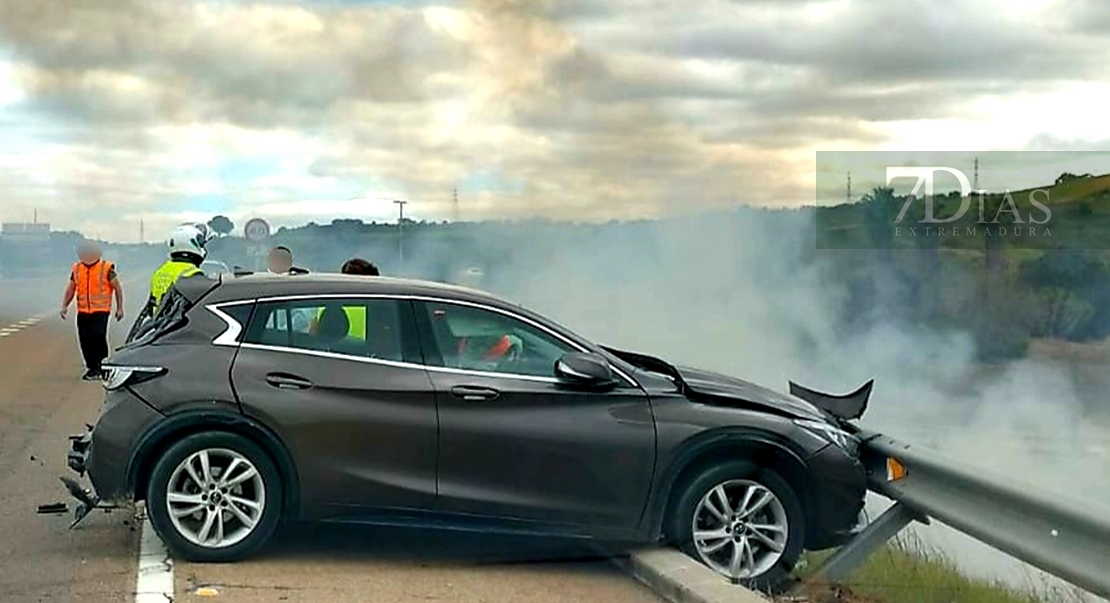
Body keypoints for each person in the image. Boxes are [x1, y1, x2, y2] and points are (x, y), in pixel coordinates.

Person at [60, 240, 125, 380]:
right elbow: (71, 289)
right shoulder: (77, 269)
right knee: (85, 339)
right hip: (83, 311)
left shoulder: (106, 268)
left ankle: (102, 366)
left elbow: (117, 288)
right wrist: (65, 306)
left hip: (101, 310)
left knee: (98, 335)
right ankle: (92, 368)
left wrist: (120, 308)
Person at [143, 223, 210, 315]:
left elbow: (151, 307)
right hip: (181, 326)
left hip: (160, 325)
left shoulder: (160, 271)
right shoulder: (193, 274)